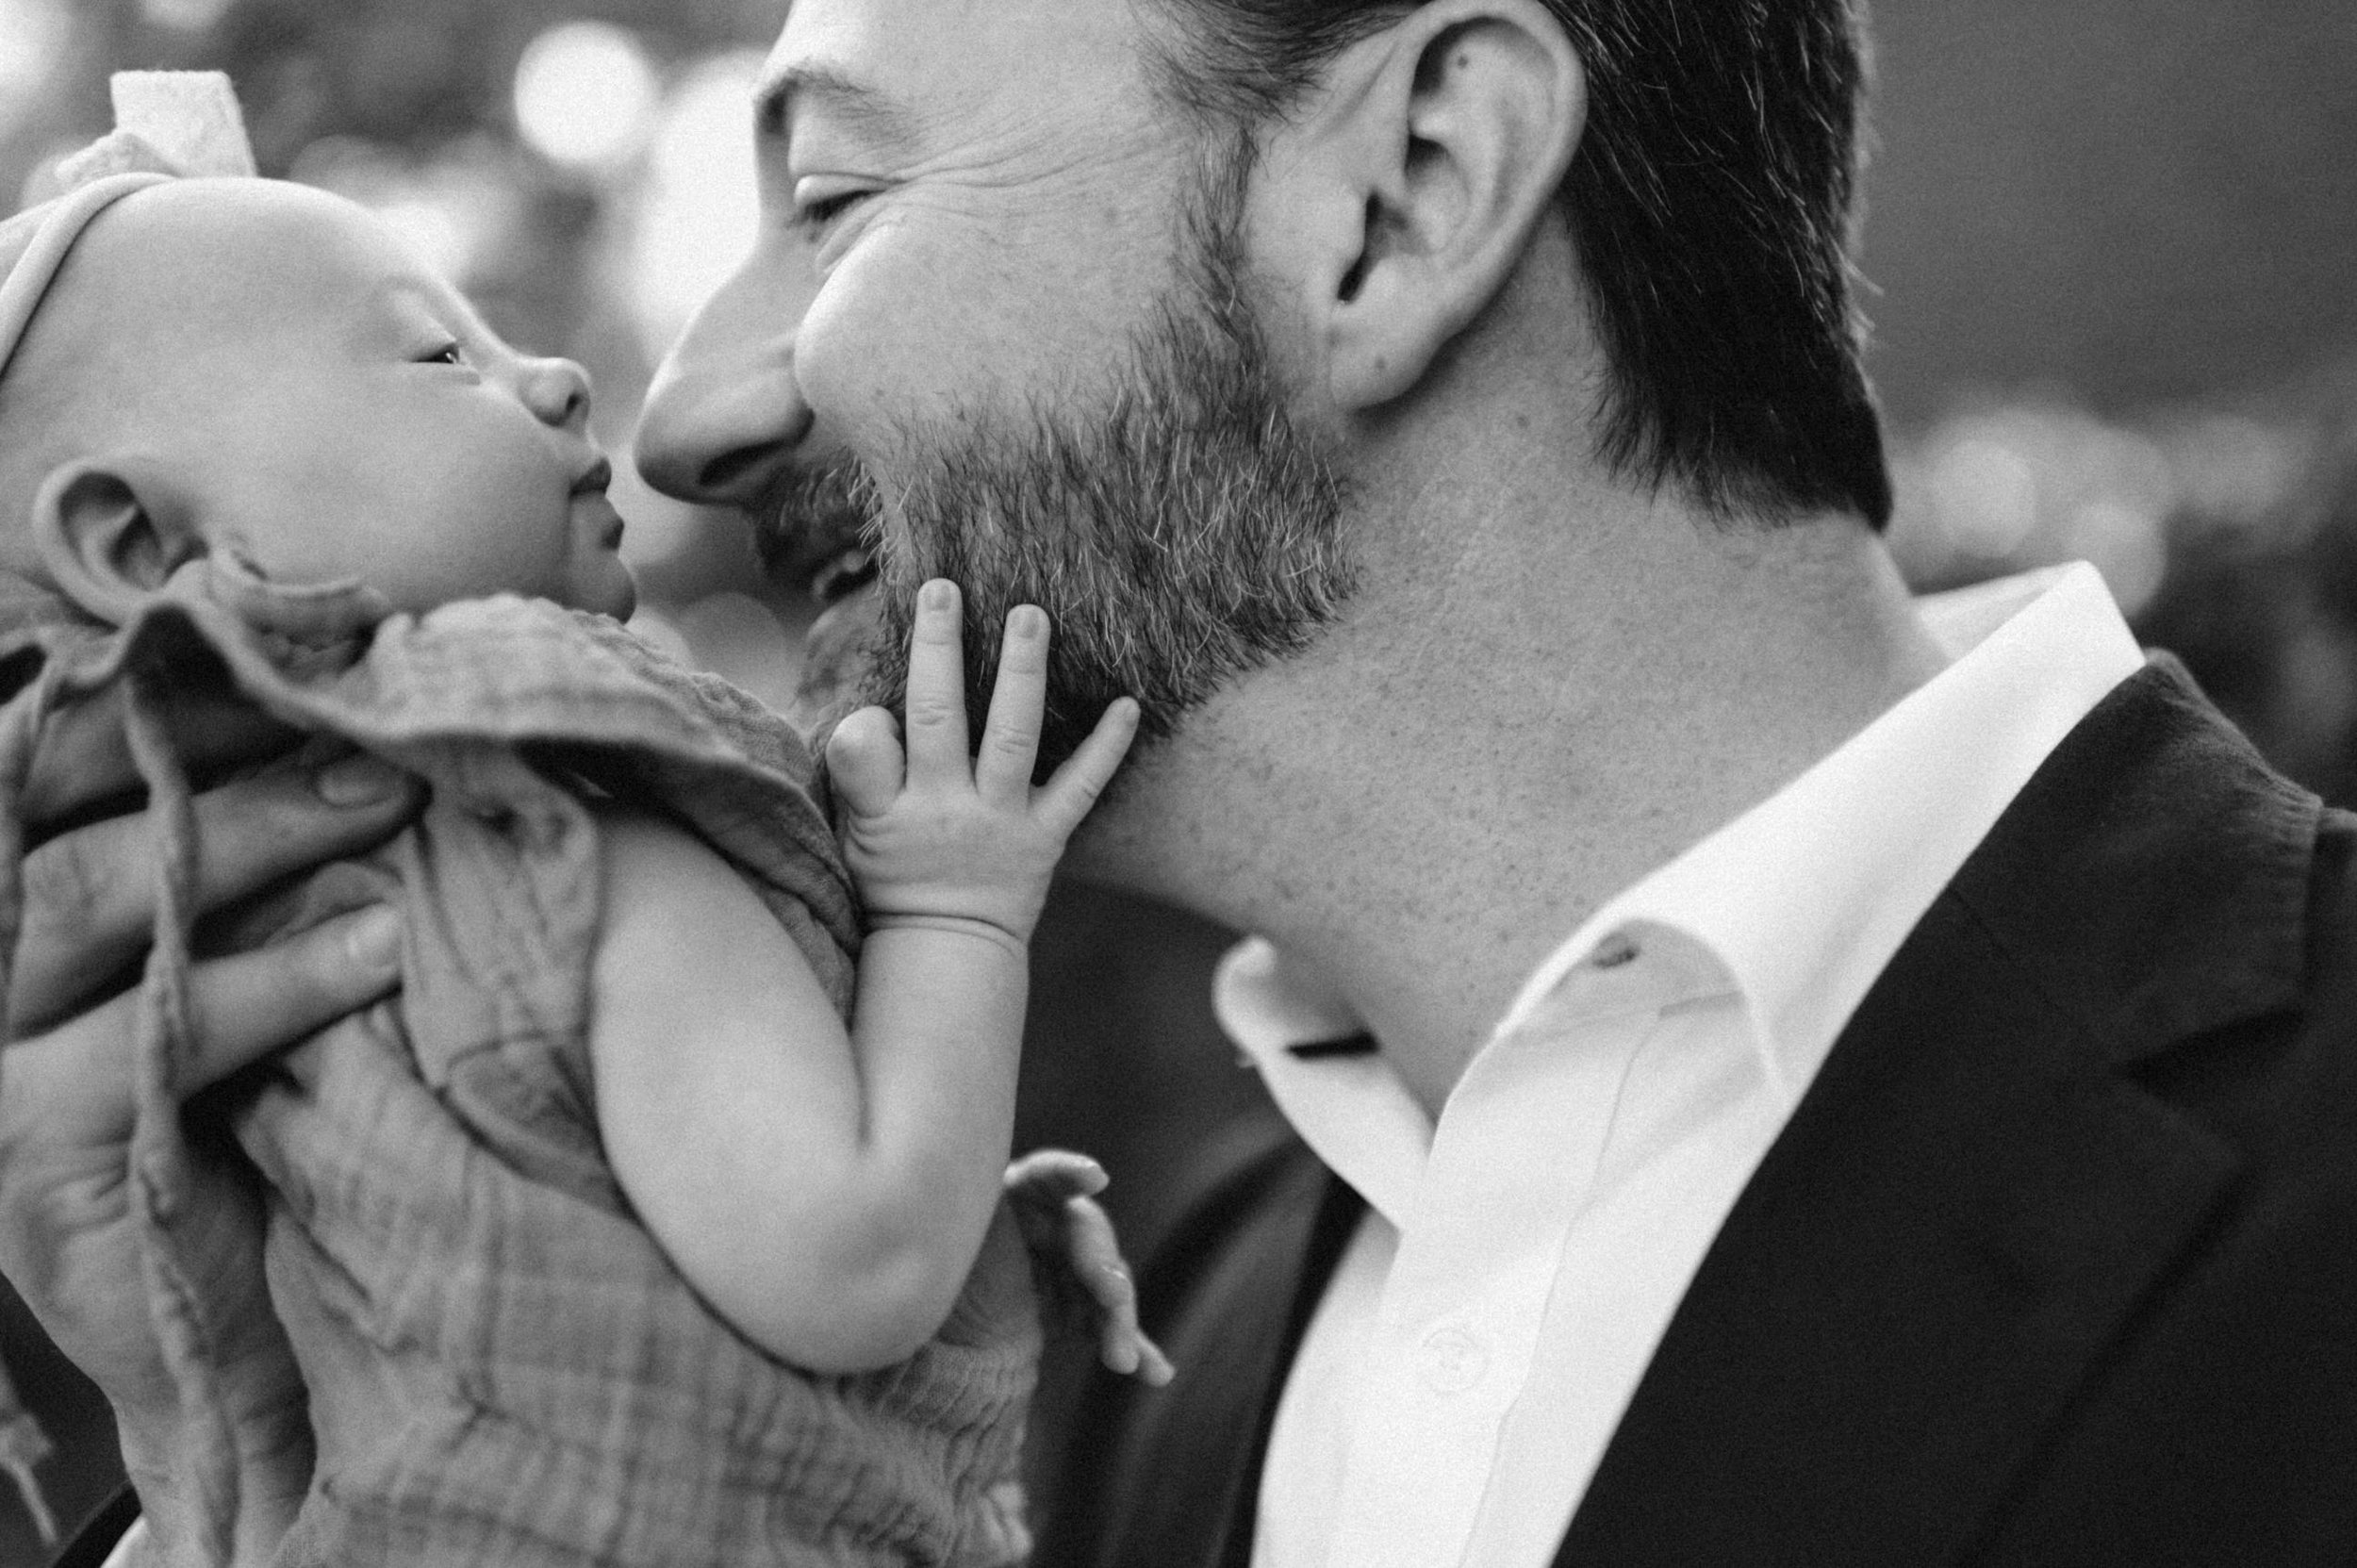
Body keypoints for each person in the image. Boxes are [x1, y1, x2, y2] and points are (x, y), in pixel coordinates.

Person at [13, 0, 2357, 1560]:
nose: (682, 416)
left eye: (832, 201)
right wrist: (255, 1444)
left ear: (1405, 192)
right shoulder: (1108, 1375)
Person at [0, 79, 1158, 1566]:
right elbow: (857, 1260)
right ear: (142, 547)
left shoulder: (230, 976)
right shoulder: (562, 836)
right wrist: (957, 911)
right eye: (437, 353)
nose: (553, 375)